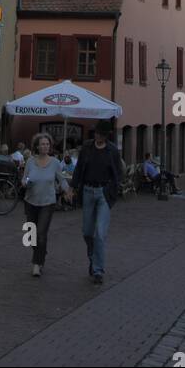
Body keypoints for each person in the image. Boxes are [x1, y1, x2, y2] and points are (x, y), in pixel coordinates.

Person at [70, 121, 121, 284]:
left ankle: (98, 270)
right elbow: (78, 169)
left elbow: (118, 173)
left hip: (103, 193)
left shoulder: (112, 150)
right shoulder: (87, 147)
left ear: (106, 135)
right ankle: (93, 257)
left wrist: (113, 191)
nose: (98, 136)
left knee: (100, 233)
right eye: (96, 133)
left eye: (101, 134)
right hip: (87, 191)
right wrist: (73, 187)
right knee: (87, 232)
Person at [22, 133, 71, 276]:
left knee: (41, 234)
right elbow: (25, 178)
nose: (45, 146)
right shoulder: (30, 161)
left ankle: (37, 264)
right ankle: (41, 251)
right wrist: (24, 182)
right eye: (43, 144)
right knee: (30, 236)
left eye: (47, 144)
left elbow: (61, 180)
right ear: (37, 146)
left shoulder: (55, 162)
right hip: (30, 201)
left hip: (47, 203)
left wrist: (67, 190)